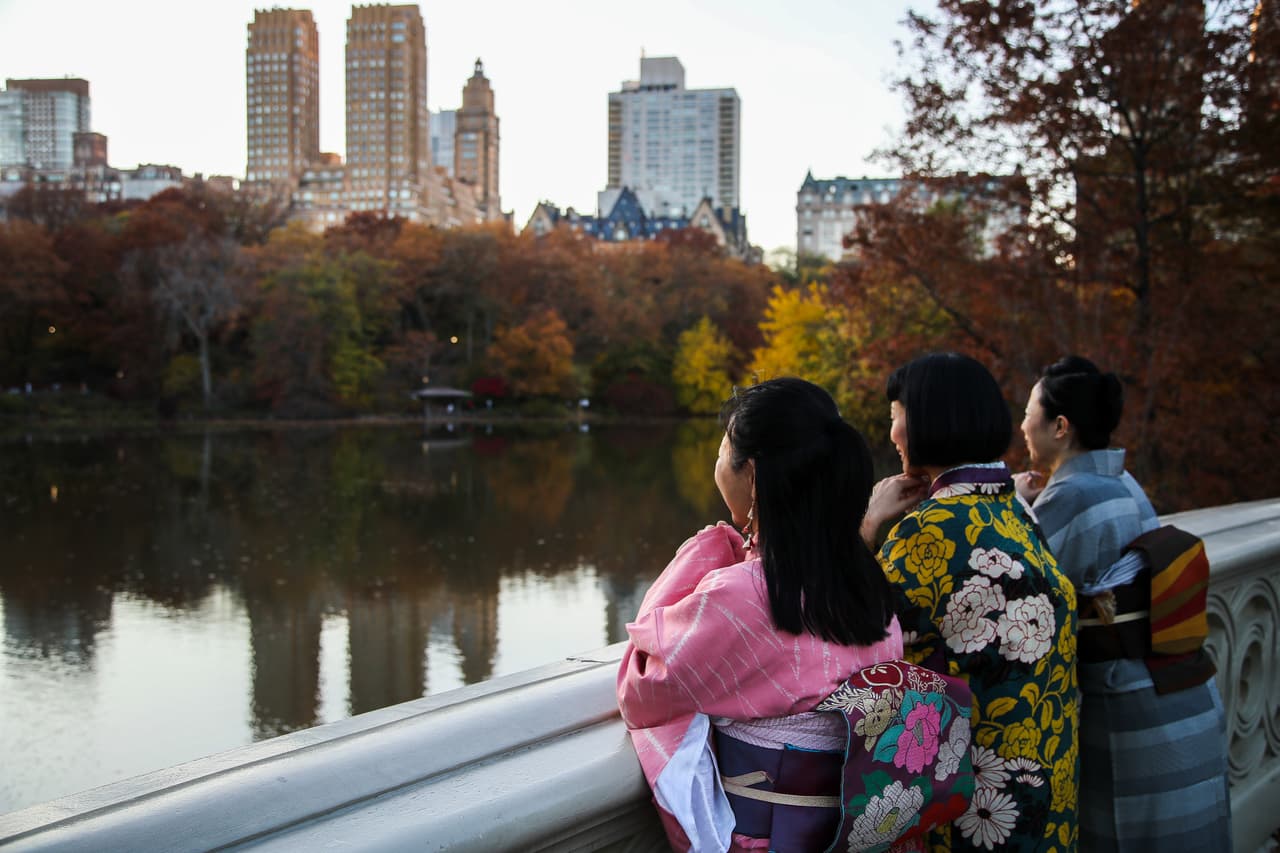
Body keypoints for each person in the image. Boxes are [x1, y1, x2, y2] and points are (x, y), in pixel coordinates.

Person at [616, 378, 905, 852]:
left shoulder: (741, 596)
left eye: (721, 450)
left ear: (750, 474)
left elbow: (642, 688)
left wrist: (702, 551)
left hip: (765, 840)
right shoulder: (868, 587)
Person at [861, 352, 1080, 852]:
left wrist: (869, 527)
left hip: (977, 801)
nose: (892, 431)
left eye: (896, 415)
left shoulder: (931, 528)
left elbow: (852, 631)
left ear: (929, 420)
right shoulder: (1012, 505)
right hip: (1044, 773)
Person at [1014, 356, 1231, 851]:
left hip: (1130, 708)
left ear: (1060, 426)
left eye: (1029, 412)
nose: (1023, 424)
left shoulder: (1071, 497)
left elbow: (1026, 596)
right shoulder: (1120, 482)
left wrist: (1020, 507)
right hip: (1177, 688)